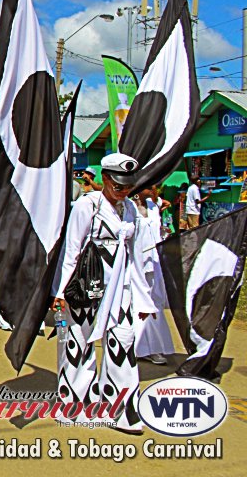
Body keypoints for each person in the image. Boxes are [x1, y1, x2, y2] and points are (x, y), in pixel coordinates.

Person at [52, 153, 156, 434]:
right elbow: (71, 252)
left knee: (123, 343)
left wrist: (143, 298)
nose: (123, 192)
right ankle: (74, 406)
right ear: (106, 179)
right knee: (79, 344)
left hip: (120, 289)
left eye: (127, 187)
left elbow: (135, 256)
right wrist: (61, 291)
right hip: (87, 287)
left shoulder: (131, 210)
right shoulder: (88, 206)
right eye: (118, 186)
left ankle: (120, 410)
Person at [134, 187, 175, 365]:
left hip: (155, 262)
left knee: (154, 302)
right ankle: (141, 348)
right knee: (138, 303)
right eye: (150, 185)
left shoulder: (153, 205)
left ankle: (154, 347)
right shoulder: (127, 206)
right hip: (135, 264)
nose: (154, 188)